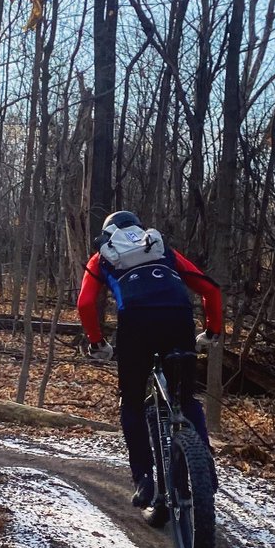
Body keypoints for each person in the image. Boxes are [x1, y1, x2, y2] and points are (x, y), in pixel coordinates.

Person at [77, 210, 223, 508]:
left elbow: (85, 303)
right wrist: (212, 330)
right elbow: (210, 289)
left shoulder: (103, 255)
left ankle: (143, 479)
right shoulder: (159, 247)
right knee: (186, 398)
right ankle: (204, 461)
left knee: (132, 402)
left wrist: (96, 342)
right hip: (178, 319)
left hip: (135, 324)